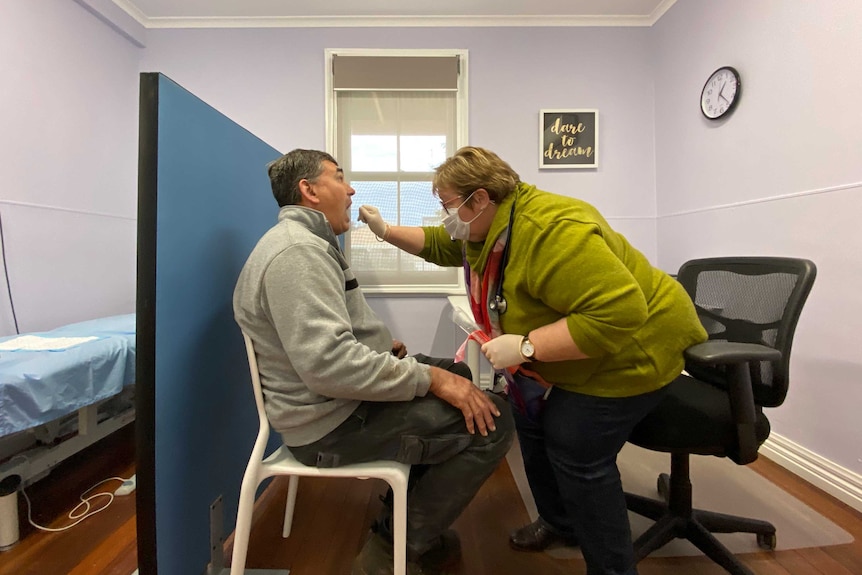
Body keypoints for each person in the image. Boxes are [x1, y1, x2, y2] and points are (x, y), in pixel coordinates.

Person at [357, 146, 708, 575]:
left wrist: (527, 346)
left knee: (575, 444)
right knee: (530, 420)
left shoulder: (551, 230)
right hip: (588, 347)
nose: (445, 214)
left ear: (480, 198)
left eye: (448, 204)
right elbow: (439, 244)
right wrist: (385, 230)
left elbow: (620, 313)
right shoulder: (489, 229)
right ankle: (561, 523)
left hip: (637, 345)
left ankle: (612, 568)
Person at [233, 148, 515, 575]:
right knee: (493, 423)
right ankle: (389, 550)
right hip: (330, 424)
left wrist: (396, 357)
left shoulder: (309, 245)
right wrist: (428, 380)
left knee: (460, 375)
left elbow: (335, 340)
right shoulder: (297, 255)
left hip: (333, 403)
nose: (351, 190)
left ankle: (405, 519)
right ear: (308, 190)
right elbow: (329, 365)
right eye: (339, 178)